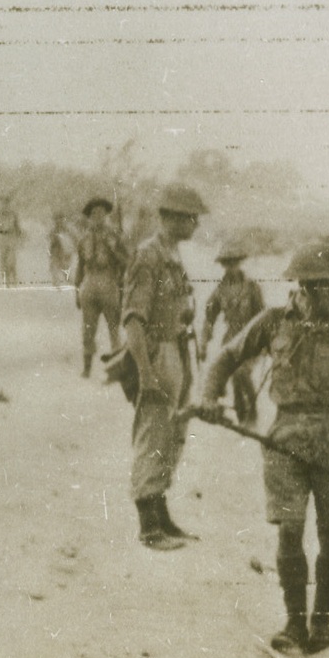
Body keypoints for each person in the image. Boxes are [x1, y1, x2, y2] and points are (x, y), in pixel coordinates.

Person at [197, 243, 329, 655]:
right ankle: (294, 623)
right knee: (290, 529)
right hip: (284, 438)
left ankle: (321, 624)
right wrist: (209, 396)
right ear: (309, 288)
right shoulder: (274, 322)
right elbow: (226, 357)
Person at [121, 183, 208, 551]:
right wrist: (145, 373)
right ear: (170, 218)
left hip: (177, 349)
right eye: (191, 218)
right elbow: (133, 320)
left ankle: (162, 514)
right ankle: (148, 525)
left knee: (172, 435)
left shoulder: (171, 254)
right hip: (157, 352)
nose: (196, 225)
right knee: (153, 433)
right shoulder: (149, 255)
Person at [200, 237, 266, 426]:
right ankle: (241, 417)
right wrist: (204, 343)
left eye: (234, 262)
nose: (231, 267)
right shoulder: (220, 291)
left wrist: (267, 342)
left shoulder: (252, 288)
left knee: (241, 374)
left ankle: (252, 415)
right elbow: (209, 318)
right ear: (223, 265)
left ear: (240, 262)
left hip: (252, 339)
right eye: (227, 263)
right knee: (233, 378)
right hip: (231, 340)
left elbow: (263, 317)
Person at [73, 197, 129, 378]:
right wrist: (76, 290)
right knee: (88, 329)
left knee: (114, 328)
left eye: (101, 213)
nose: (97, 217)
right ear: (89, 217)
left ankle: (117, 369)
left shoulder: (115, 236)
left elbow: (126, 262)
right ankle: (87, 368)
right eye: (94, 214)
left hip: (108, 282)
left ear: (106, 215)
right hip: (89, 283)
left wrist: (115, 249)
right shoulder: (84, 239)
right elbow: (80, 265)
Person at [0, 195, 22, 287]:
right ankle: (6, 281)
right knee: (3, 259)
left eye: (6, 203)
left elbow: (17, 227)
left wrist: (19, 237)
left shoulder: (13, 214)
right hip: (2, 238)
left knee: (11, 260)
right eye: (3, 203)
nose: (5, 205)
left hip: (11, 237)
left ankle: (14, 279)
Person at [47, 212, 74, 287]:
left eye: (60, 220)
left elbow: (71, 241)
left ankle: (69, 283)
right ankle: (56, 284)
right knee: (55, 269)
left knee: (65, 269)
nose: (59, 222)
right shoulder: (54, 230)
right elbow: (50, 239)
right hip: (56, 252)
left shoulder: (66, 230)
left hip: (64, 253)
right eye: (57, 220)